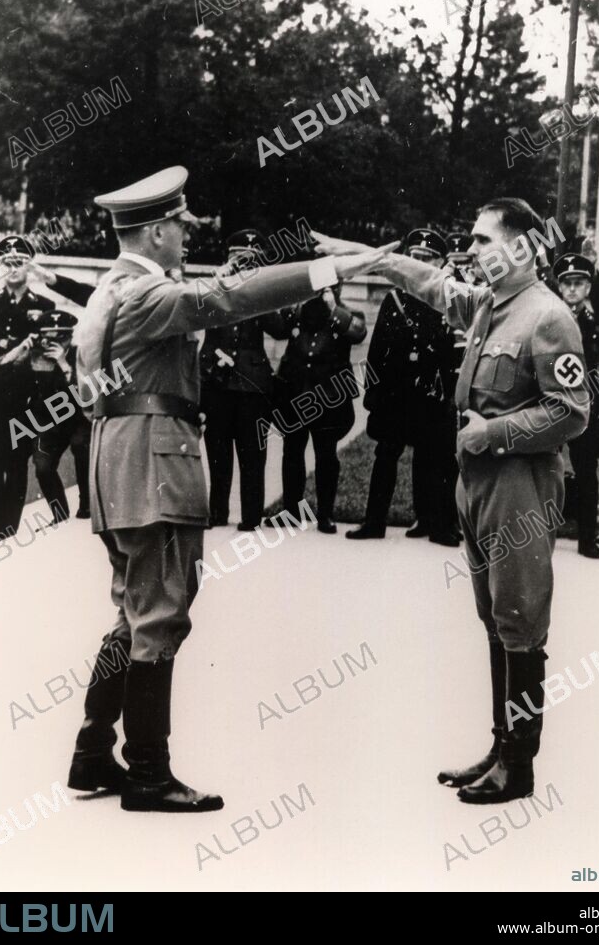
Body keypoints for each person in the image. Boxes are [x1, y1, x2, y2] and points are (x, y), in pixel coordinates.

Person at [66, 166, 393, 812]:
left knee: (131, 612)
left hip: (117, 464)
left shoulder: (110, 290)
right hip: (155, 464)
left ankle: (93, 750)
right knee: (159, 616)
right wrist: (326, 270)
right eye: (180, 227)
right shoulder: (145, 295)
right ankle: (149, 774)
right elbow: (228, 298)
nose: (187, 236)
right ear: (156, 231)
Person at [378, 197, 589, 804]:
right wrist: (377, 263)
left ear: (520, 247)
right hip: (479, 484)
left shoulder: (548, 317)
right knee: (495, 618)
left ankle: (519, 768)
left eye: (481, 240)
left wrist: (490, 432)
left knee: (520, 621)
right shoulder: (491, 306)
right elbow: (435, 285)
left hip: (520, 484)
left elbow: (571, 412)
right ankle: (501, 746)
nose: (469, 251)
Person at [0, 236, 91, 550]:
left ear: (29, 267)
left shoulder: (43, 307)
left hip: (23, 393)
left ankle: (9, 528)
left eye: (18, 263)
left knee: (17, 458)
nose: (12, 269)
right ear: (0, 266)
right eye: (7, 263)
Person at [347, 228, 459, 544]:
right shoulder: (394, 298)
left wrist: (448, 392)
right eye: (415, 258)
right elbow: (377, 348)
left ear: (440, 263)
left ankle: (435, 523)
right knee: (386, 455)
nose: (419, 263)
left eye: (427, 259)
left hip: (431, 393)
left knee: (434, 459)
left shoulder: (448, 301)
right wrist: (373, 391)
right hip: (395, 393)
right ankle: (374, 522)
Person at [201, 231, 287, 530]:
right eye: (237, 258)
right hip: (217, 381)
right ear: (227, 257)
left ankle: (251, 517)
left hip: (251, 384)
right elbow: (192, 311)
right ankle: (217, 512)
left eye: (248, 260)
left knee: (252, 453)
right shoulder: (213, 287)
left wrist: (260, 287)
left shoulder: (260, 290)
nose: (241, 265)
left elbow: (280, 329)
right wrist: (218, 282)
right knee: (217, 451)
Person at [273, 284, 366, 535]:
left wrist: (333, 307)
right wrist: (292, 300)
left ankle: (325, 514)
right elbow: (278, 329)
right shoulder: (299, 311)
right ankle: (291, 512)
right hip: (295, 392)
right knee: (292, 452)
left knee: (326, 455)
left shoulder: (345, 313)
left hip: (329, 397)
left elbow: (358, 333)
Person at [0, 310, 91, 525]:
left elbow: (85, 394)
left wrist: (64, 365)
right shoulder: (34, 356)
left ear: (70, 337)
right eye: (49, 338)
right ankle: (59, 514)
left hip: (76, 419)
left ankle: (87, 505)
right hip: (48, 421)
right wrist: (20, 349)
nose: (55, 343)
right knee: (43, 466)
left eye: (61, 338)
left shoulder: (79, 355)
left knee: (82, 447)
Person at [552, 252, 599, 559]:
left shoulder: (598, 324)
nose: (572, 290)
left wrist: (596, 405)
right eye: (566, 284)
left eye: (578, 283)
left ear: (589, 287)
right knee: (544, 471)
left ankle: (587, 538)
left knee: (587, 471)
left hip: (584, 408)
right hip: (549, 406)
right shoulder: (549, 318)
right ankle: (542, 535)